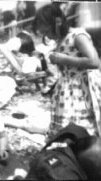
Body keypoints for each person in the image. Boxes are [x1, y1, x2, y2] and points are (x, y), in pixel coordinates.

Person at [33, 3, 101, 138]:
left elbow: (94, 62)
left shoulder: (77, 36)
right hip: (67, 89)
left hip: (82, 88)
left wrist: (63, 59)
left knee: (81, 129)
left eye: (48, 31)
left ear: (58, 22)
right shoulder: (61, 39)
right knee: (66, 130)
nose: (48, 36)